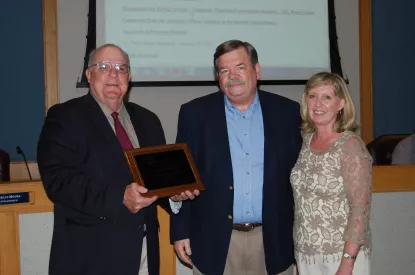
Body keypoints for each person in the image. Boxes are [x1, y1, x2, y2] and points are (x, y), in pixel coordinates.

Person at [37, 43, 197, 275]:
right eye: (104, 67)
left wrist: (174, 194)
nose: (114, 74)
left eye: (121, 69)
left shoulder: (148, 120)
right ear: (89, 74)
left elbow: (158, 179)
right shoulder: (64, 117)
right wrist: (119, 197)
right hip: (91, 255)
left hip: (144, 252)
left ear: (129, 77)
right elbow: (58, 181)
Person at [170, 40, 302, 275]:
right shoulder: (194, 114)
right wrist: (180, 231)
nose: (233, 76)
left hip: (274, 241)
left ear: (257, 70)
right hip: (216, 241)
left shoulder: (288, 113)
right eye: (224, 70)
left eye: (240, 67)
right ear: (217, 76)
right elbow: (182, 179)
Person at [290, 72, 372, 275]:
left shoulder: (350, 145)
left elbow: (360, 209)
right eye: (312, 96)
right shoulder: (304, 142)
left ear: (341, 104)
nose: (318, 104)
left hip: (340, 256)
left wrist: (347, 263)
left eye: (327, 97)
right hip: (306, 255)